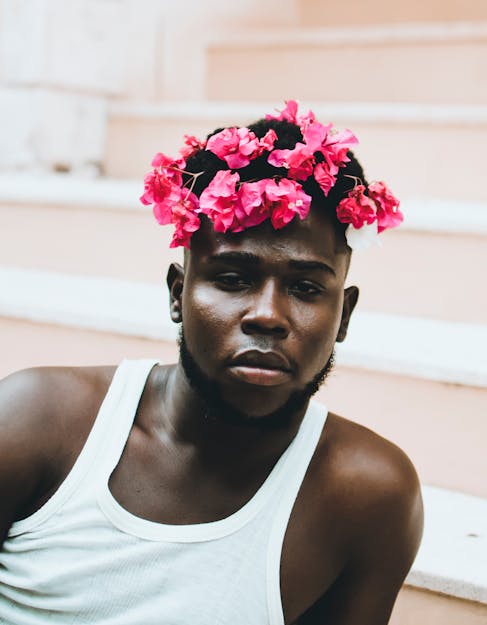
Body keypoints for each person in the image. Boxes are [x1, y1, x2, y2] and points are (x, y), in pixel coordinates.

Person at [0, 101, 423, 625]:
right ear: (178, 295)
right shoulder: (37, 422)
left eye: (307, 287)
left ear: (344, 315)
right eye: (232, 278)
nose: (268, 316)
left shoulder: (367, 494)